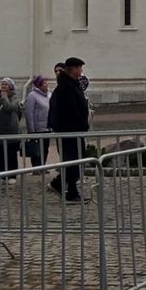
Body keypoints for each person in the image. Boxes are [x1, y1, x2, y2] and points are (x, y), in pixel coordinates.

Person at [48, 57, 89, 201]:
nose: (81, 70)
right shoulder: (65, 87)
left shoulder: (73, 84)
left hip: (76, 131)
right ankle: (66, 187)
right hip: (70, 131)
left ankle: (67, 187)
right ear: (73, 69)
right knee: (73, 161)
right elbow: (69, 110)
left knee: (77, 161)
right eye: (79, 68)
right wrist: (80, 123)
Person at [0, 78, 23, 179]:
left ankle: (12, 175)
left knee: (11, 154)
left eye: (6, 84)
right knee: (0, 153)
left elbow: (9, 108)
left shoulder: (14, 97)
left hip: (10, 130)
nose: (3, 86)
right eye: (2, 84)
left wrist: (4, 98)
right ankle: (1, 174)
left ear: (11, 87)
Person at [23, 74, 51, 168]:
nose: (47, 84)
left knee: (45, 148)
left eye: (47, 82)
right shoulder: (32, 96)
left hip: (47, 127)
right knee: (36, 149)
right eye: (44, 83)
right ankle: (36, 167)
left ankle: (43, 166)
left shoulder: (49, 94)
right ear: (39, 85)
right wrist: (31, 129)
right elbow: (29, 113)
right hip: (37, 128)